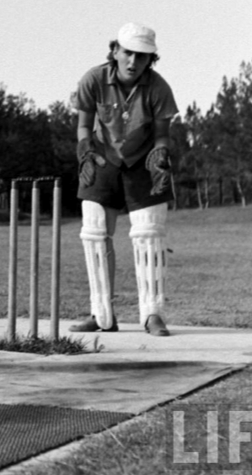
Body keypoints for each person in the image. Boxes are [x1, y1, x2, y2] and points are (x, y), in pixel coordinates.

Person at [70, 22, 178, 337]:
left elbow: (161, 135)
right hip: (102, 159)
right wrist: (86, 152)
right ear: (115, 50)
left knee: (149, 236)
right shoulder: (93, 79)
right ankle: (101, 314)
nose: (133, 62)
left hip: (143, 162)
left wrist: (159, 160)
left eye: (142, 56)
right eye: (128, 53)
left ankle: (153, 315)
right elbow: (83, 126)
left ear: (151, 59)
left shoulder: (158, 88)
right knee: (94, 233)